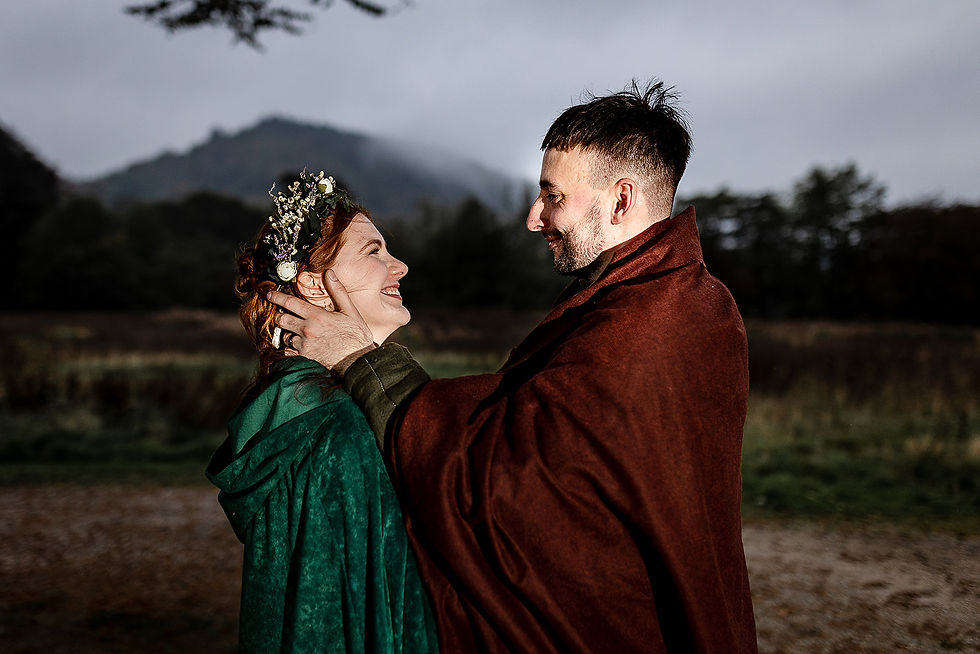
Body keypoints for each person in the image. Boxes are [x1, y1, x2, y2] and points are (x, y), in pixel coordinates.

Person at [269, 81, 758, 653]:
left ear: (621, 201)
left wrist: (361, 359)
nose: (534, 218)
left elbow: (511, 484)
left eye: (553, 196)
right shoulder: (674, 298)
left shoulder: (652, 323)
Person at [206, 170, 439, 653]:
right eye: (373, 253)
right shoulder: (338, 429)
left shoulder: (290, 402)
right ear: (312, 286)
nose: (400, 267)